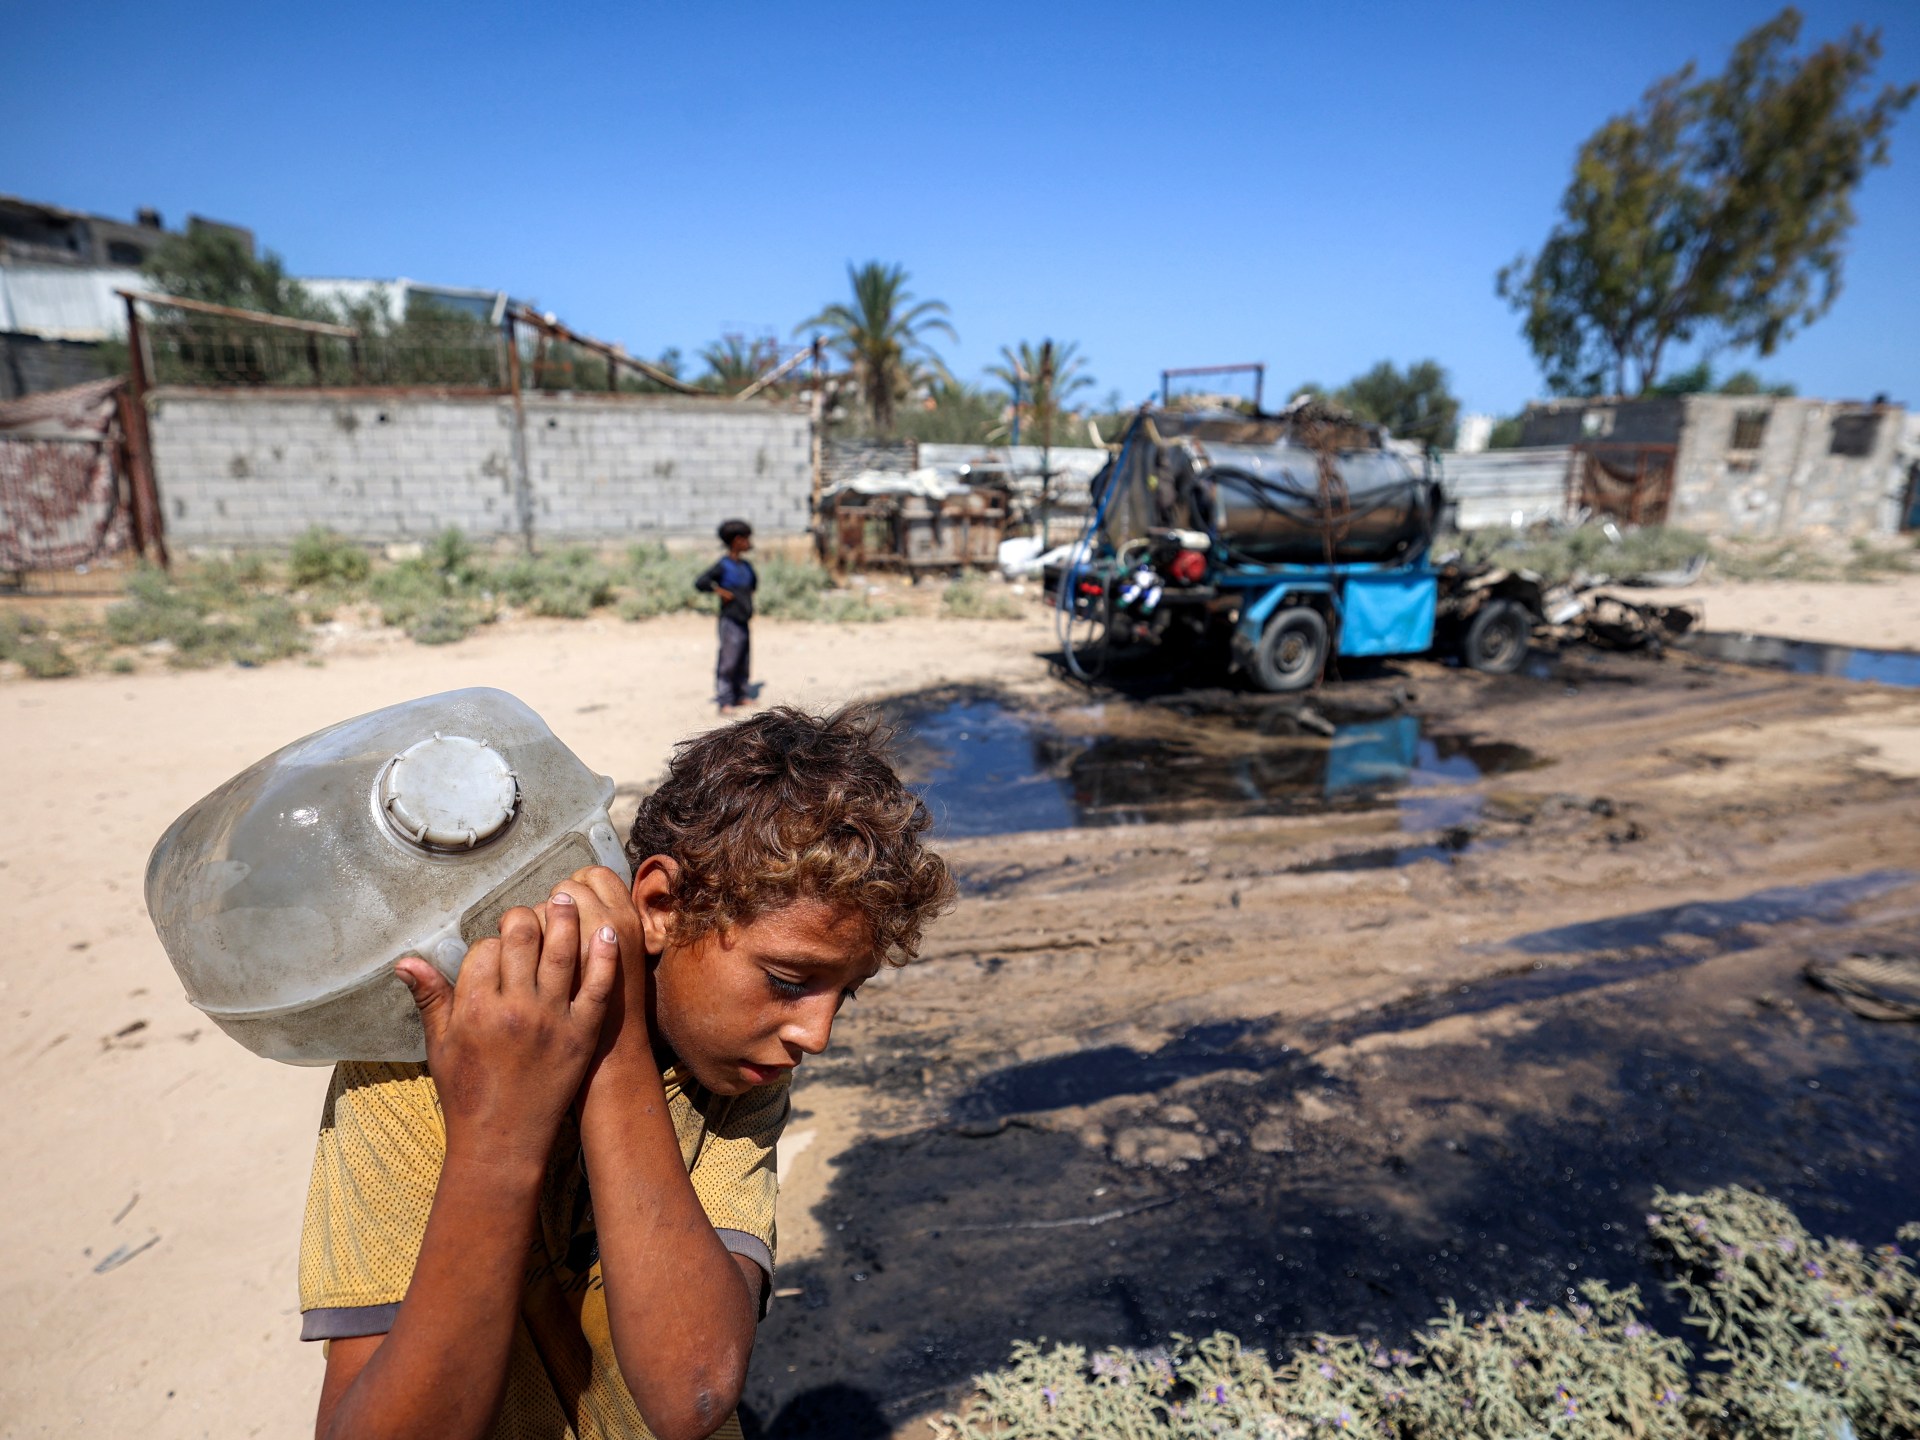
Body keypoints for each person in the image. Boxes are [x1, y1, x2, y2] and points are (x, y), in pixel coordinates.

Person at [299, 707, 954, 1440]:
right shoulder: (419, 1069)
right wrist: (498, 1140)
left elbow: (695, 1395)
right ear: (660, 906)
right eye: (790, 979)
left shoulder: (739, 1074)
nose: (817, 1035)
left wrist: (616, 1053)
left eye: (846, 992)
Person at [694, 520, 757, 712]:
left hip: (744, 618)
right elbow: (701, 582)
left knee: (743, 659)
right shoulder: (723, 565)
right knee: (728, 660)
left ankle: (741, 694)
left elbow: (753, 586)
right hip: (730, 620)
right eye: (746, 539)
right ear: (737, 541)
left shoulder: (746, 566)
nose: (749, 543)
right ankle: (725, 699)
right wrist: (719, 591)